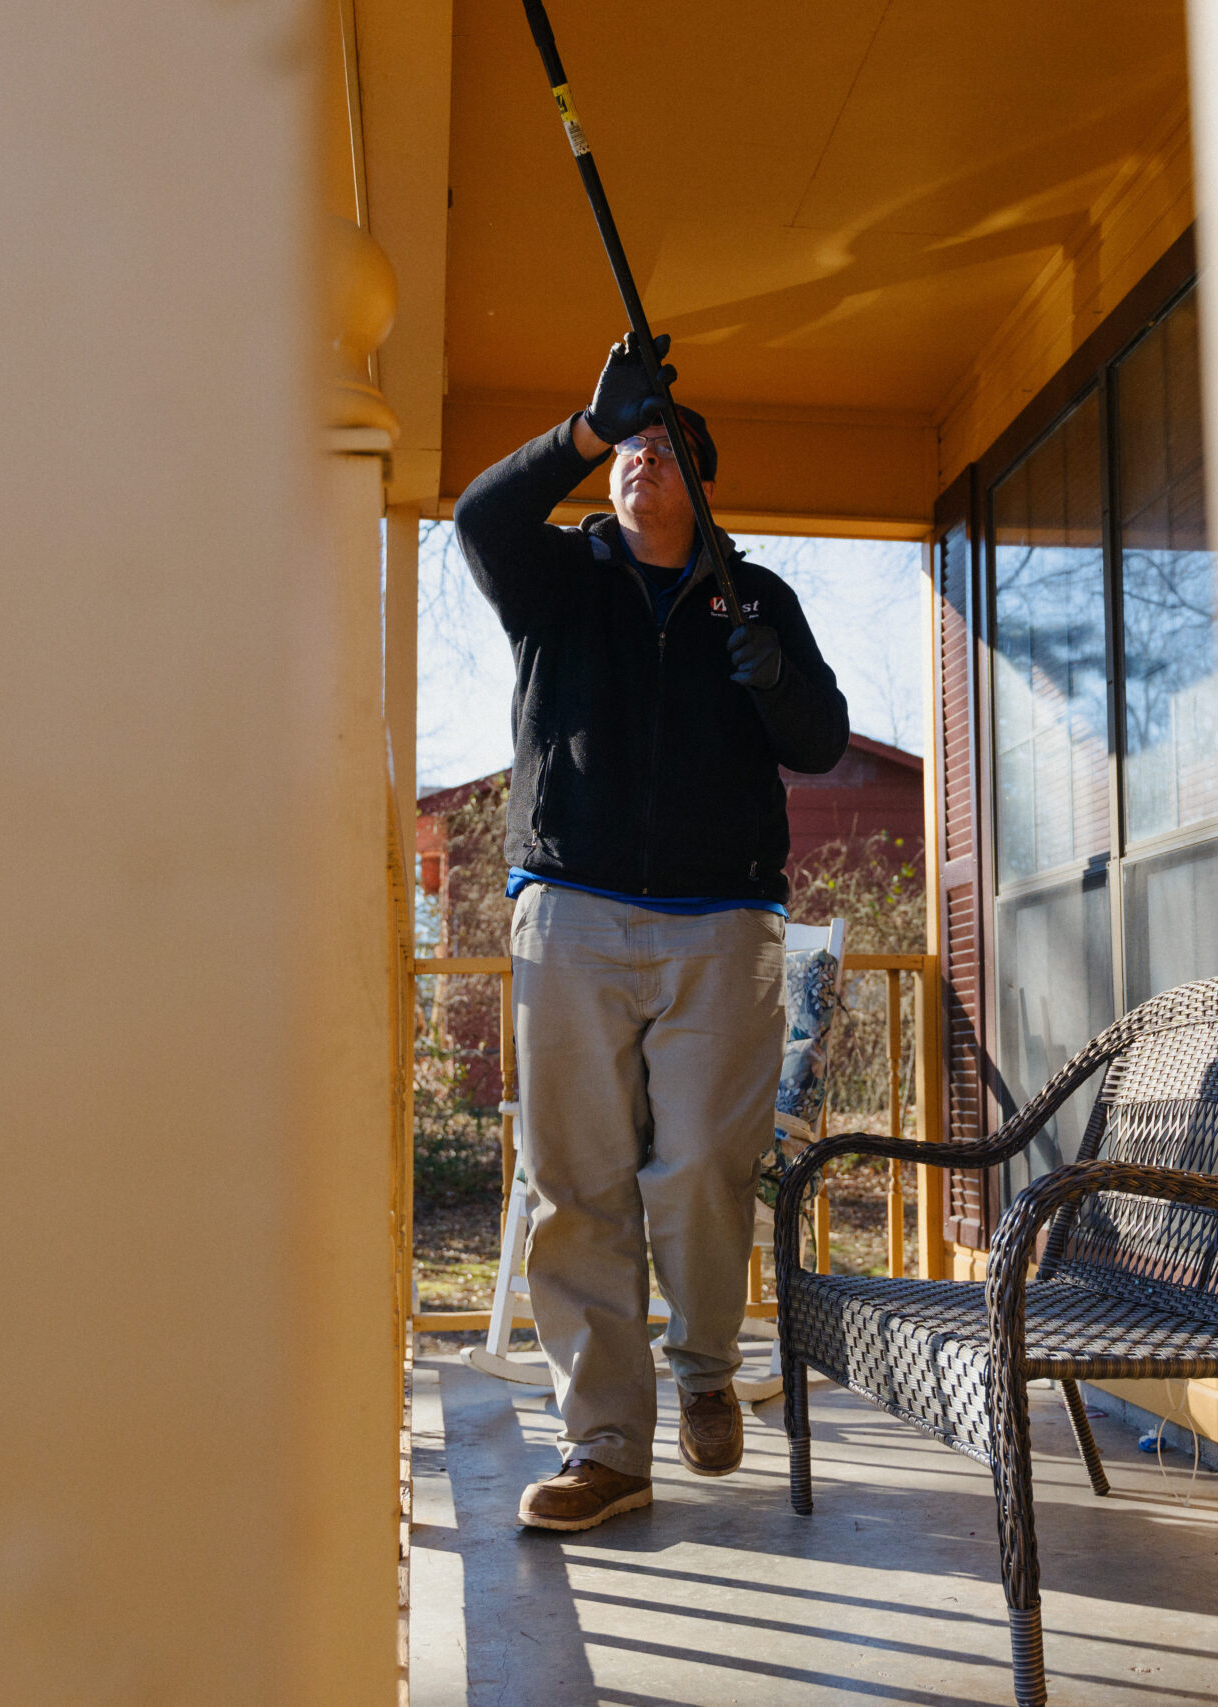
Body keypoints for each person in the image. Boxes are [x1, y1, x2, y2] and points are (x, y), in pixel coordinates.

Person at [455, 335, 850, 1532]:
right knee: (579, 1184)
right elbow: (479, 517)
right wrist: (581, 426)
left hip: (725, 928)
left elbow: (819, 740)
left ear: (702, 478)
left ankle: (705, 1374)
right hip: (569, 915)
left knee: (702, 1173)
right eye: (624, 446)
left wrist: (772, 675)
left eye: (658, 445)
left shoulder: (755, 595)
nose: (636, 460)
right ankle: (607, 1445)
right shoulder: (558, 580)